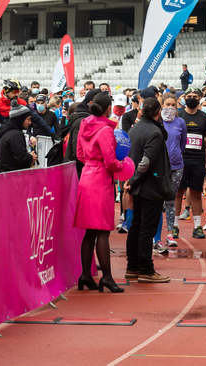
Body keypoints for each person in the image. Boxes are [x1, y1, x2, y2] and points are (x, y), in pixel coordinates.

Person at [74, 93, 135, 293]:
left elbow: (80, 154)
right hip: (100, 179)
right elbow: (110, 161)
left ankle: (85, 275)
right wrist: (122, 165)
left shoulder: (85, 124)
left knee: (90, 231)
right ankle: (107, 277)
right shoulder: (105, 130)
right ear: (108, 108)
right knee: (102, 230)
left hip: (87, 176)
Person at [125, 97, 173, 283]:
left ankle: (133, 266)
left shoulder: (134, 129)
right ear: (158, 112)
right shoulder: (155, 132)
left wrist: (130, 181)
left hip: (137, 184)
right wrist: (135, 180)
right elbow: (146, 162)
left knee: (136, 226)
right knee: (147, 228)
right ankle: (146, 269)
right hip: (149, 186)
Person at [176, 88, 206, 239]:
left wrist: (200, 146)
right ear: (184, 98)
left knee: (196, 194)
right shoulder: (179, 115)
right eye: (189, 96)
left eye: (194, 96)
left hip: (197, 161)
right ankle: (174, 226)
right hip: (180, 161)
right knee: (178, 193)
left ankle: (197, 227)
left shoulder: (204, 117)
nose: (191, 98)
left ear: (200, 98)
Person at [161, 93, 187, 248]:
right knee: (158, 201)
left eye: (173, 105)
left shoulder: (181, 122)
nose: (170, 108)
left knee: (171, 200)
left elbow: (183, 143)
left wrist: (176, 154)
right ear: (162, 105)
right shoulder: (158, 121)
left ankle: (170, 233)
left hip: (177, 166)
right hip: (160, 167)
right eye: (167, 104)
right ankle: (155, 235)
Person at [0, 104, 36, 172]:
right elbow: (21, 158)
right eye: (28, 119)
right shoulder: (16, 135)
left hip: (3, 174)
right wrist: (31, 157)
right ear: (20, 119)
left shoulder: (5, 131)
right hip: (12, 176)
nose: (30, 122)